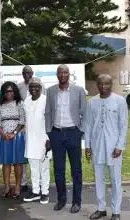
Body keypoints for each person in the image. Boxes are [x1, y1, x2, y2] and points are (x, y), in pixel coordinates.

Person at [84, 74, 128, 220]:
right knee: (99, 179)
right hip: (97, 147)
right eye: (100, 84)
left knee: (115, 180)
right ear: (97, 84)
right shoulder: (92, 102)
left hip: (114, 148)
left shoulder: (119, 101)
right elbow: (88, 125)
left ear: (111, 84)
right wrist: (88, 146)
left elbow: (123, 125)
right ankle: (101, 208)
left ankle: (116, 211)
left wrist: (120, 145)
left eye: (107, 84)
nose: (103, 87)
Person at [45, 64, 86, 213]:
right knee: (58, 170)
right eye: (60, 73)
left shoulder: (78, 90)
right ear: (57, 75)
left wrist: (81, 131)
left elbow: (84, 112)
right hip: (56, 134)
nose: (63, 75)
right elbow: (48, 112)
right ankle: (61, 200)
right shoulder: (50, 91)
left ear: (69, 74)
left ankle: (76, 202)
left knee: (76, 170)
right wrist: (49, 132)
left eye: (65, 72)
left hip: (73, 133)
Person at [0, 81, 27, 198]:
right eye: (7, 91)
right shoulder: (0, 105)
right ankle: (7, 186)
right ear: (3, 92)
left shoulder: (20, 103)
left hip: (17, 136)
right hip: (3, 137)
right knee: (6, 163)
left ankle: (18, 186)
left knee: (18, 162)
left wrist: (13, 133)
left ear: (15, 92)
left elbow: (22, 121)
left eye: (11, 91)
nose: (9, 93)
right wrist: (3, 133)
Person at [23, 78, 51, 204]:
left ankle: (45, 192)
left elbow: (50, 121)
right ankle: (35, 191)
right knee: (33, 167)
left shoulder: (46, 100)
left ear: (41, 88)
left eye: (36, 87)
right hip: (30, 140)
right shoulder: (27, 101)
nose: (33, 89)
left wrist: (49, 139)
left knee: (44, 167)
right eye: (31, 87)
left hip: (44, 139)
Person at [17, 65, 44, 192]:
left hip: (37, 127)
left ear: (32, 73)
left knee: (38, 156)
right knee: (25, 155)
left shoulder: (38, 84)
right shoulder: (19, 86)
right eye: (24, 73)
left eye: (28, 73)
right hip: (24, 126)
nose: (26, 75)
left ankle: (39, 184)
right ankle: (23, 183)